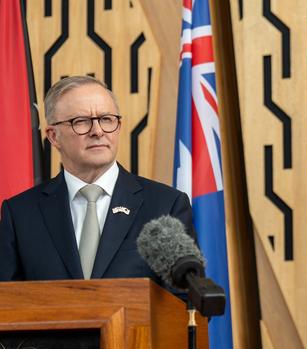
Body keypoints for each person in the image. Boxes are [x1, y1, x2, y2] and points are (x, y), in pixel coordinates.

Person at [0, 75, 194, 282]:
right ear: (53, 136)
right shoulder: (21, 213)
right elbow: (7, 304)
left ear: (118, 126)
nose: (98, 131)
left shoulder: (165, 205)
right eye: (81, 122)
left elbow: (185, 303)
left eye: (106, 119)